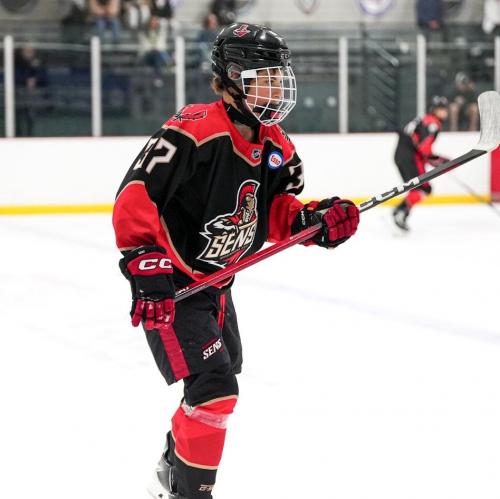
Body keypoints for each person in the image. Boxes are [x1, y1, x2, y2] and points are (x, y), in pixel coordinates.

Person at [112, 23, 360, 499]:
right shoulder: (194, 129)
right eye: (263, 79)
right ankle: (188, 490)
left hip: (218, 286)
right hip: (176, 286)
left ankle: (172, 468)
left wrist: (314, 221)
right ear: (231, 79)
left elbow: (274, 211)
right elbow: (137, 194)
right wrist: (144, 263)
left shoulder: (277, 146)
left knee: (215, 391)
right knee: (214, 390)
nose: (275, 88)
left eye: (278, 78)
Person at [392, 95, 449, 231]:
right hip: (410, 159)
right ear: (434, 109)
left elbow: (414, 141)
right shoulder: (433, 123)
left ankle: (400, 211)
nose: (444, 112)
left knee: (419, 188)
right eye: (441, 109)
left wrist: (436, 160)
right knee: (423, 189)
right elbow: (424, 148)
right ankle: (400, 212)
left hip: (401, 156)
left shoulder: (423, 120)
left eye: (444, 109)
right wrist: (439, 160)